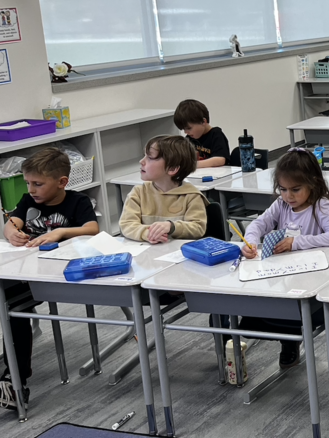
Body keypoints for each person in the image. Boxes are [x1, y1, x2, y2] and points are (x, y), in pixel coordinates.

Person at [1, 148, 100, 410]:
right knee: (10, 306)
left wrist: (61, 233)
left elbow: (92, 230)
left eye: (38, 184)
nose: (31, 189)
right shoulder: (27, 201)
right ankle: (15, 378)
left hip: (66, 275)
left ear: (62, 182)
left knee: (13, 308)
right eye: (28, 183)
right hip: (29, 274)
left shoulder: (77, 202)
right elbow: (12, 222)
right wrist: (11, 232)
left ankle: (14, 374)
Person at [240, 149, 329, 368]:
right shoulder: (281, 204)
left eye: (296, 190)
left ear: (313, 183)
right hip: (286, 274)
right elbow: (259, 223)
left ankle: (291, 339)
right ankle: (288, 341)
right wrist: (250, 240)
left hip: (315, 276)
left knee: (292, 305)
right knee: (266, 302)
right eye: (283, 189)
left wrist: (296, 243)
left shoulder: (322, 206)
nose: (288, 195)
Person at [119, 135, 207, 243]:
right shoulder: (138, 193)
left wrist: (171, 226)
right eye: (144, 156)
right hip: (148, 254)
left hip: (179, 255)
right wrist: (147, 234)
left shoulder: (191, 195)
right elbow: (126, 225)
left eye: (150, 158)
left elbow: (198, 228)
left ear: (172, 168)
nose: (141, 161)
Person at [174, 99, 230, 169]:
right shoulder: (189, 138)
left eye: (189, 128)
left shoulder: (216, 135)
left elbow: (220, 160)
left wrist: (194, 165)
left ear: (203, 121)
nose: (186, 132)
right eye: (184, 129)